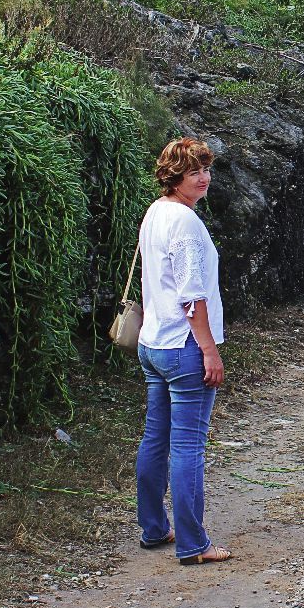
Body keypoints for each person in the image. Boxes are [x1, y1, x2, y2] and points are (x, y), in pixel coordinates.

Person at [134, 137, 232, 566]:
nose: (204, 178)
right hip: (184, 346)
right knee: (189, 445)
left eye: (206, 169)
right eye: (194, 172)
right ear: (175, 177)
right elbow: (192, 296)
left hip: (152, 342)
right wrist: (209, 350)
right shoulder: (186, 223)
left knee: (156, 439)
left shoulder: (156, 212)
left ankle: (155, 529)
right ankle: (194, 544)